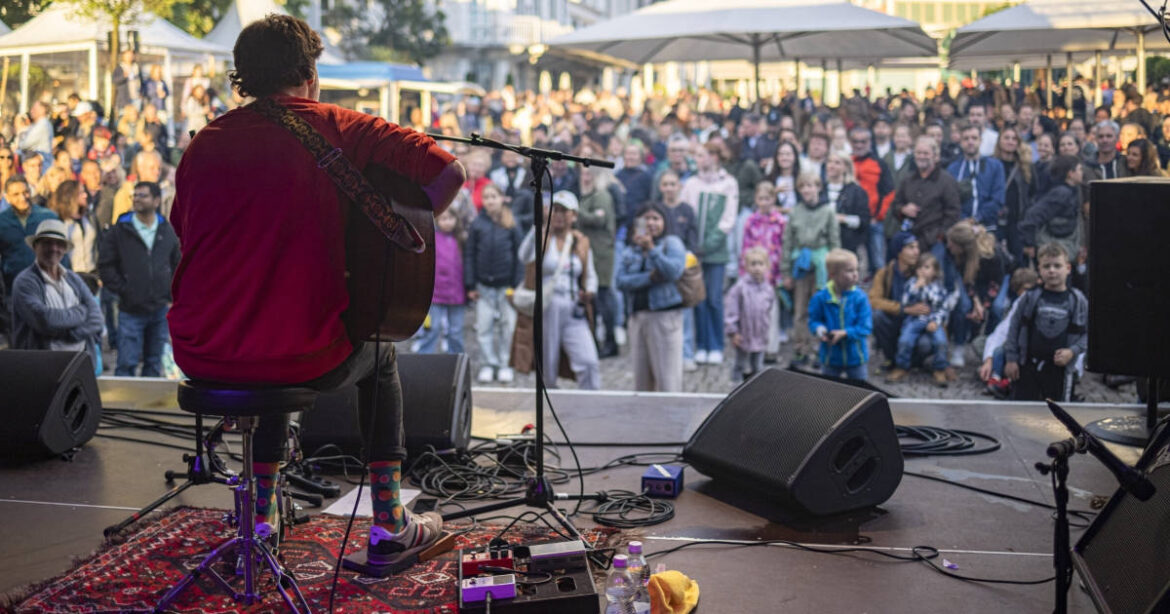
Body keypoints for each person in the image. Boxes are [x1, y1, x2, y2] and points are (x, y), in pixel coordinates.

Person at [167, 15, 466, 570]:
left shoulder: (203, 142)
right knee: (376, 355)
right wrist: (388, 248)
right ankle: (390, 524)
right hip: (299, 354)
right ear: (309, 73)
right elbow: (447, 173)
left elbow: (182, 230)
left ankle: (260, 518)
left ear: (245, 78)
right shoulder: (340, 125)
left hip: (200, 353)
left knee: (270, 338)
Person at [513, 191, 601, 389]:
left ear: (574, 216)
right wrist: (538, 229)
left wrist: (590, 290)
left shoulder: (580, 241)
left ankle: (592, 400)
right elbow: (524, 256)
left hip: (573, 306)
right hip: (547, 305)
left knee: (588, 361)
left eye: (564, 211)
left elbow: (590, 273)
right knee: (548, 360)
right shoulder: (542, 237)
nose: (558, 215)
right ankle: (549, 401)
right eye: (555, 210)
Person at [99, 181, 180, 377]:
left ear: (156, 200)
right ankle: (122, 407)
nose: (136, 199)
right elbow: (105, 265)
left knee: (153, 364)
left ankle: (147, 406)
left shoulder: (166, 231)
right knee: (127, 363)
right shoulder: (120, 231)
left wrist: (170, 295)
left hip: (159, 310)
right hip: (130, 310)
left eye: (143, 195)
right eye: (135, 195)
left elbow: (177, 264)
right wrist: (124, 289)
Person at [10, 219, 104, 366]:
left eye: (59, 244)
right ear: (35, 247)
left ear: (65, 249)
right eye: (47, 243)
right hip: (41, 368)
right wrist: (81, 312)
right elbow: (44, 320)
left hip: (78, 365)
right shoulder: (25, 282)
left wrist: (72, 334)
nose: (54, 248)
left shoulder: (72, 278)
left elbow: (97, 318)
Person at [615, 203, 687, 391]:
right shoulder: (631, 249)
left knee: (667, 379)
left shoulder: (672, 243)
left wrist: (652, 250)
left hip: (664, 318)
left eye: (656, 218)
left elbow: (673, 272)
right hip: (638, 317)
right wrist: (649, 278)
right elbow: (621, 281)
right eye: (646, 218)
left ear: (664, 222)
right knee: (642, 381)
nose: (651, 223)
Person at [1004, 243, 1088, 402]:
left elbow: (1088, 334)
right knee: (1022, 412)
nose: (1052, 270)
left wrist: (1073, 351)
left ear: (1068, 268)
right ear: (1039, 270)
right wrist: (1011, 359)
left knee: (1058, 416)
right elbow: (1014, 327)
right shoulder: (1030, 297)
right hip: (1028, 367)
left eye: (1057, 266)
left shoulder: (1077, 300)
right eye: (1047, 266)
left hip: (1060, 371)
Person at [681, 142, 739, 366]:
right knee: (699, 298)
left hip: (715, 252)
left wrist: (709, 244)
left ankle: (716, 344)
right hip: (695, 252)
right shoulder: (691, 183)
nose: (698, 159)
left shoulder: (728, 183)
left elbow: (728, 219)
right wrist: (693, 244)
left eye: (702, 155)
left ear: (714, 157)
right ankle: (702, 344)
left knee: (715, 298)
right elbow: (686, 214)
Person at [465, 182, 523, 384]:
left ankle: (505, 363)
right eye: (486, 197)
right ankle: (488, 364)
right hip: (483, 287)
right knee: (484, 327)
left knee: (507, 327)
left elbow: (519, 255)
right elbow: (470, 254)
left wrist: (516, 284)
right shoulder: (478, 224)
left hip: (506, 285)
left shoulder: (511, 222)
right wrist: (470, 284)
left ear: (502, 198)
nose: (490, 201)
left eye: (494, 196)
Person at [782, 172, 840, 366]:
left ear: (818, 187)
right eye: (803, 186)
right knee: (800, 310)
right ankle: (801, 348)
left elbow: (834, 242)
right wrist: (786, 272)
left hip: (821, 264)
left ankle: (819, 349)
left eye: (810, 185)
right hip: (801, 263)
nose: (807, 190)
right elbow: (788, 242)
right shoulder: (796, 212)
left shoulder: (828, 211)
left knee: (820, 308)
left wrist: (835, 271)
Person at [887, 136, 961, 256]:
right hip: (910, 240)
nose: (922, 156)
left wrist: (938, 236)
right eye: (918, 153)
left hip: (935, 243)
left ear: (935, 156)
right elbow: (895, 205)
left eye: (926, 153)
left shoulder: (946, 181)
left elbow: (953, 213)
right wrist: (903, 209)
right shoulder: (908, 180)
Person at [886, 252, 952, 387]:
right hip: (914, 319)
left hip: (932, 320)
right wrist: (916, 288)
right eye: (920, 267)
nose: (922, 271)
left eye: (927, 267)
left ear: (935, 271)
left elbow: (944, 307)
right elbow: (905, 302)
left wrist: (936, 321)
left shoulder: (939, 287)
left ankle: (939, 368)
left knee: (940, 341)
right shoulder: (911, 284)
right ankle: (902, 366)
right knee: (905, 340)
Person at [808, 248, 871, 380]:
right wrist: (820, 330)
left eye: (856, 270)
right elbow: (814, 320)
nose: (855, 274)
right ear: (832, 275)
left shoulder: (860, 298)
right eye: (849, 270)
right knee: (829, 394)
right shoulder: (820, 298)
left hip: (856, 358)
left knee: (860, 392)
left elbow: (865, 327)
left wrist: (845, 333)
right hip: (830, 357)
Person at [577, 165, 619, 358]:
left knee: (603, 296)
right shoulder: (590, 196)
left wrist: (576, 212)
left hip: (600, 253)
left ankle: (610, 341)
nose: (585, 178)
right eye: (583, 174)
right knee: (596, 297)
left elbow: (598, 220)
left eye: (588, 174)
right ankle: (598, 340)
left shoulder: (601, 196)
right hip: (593, 251)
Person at [979, 268, 1039, 399]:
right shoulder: (1019, 304)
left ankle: (1009, 382)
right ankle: (996, 378)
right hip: (1014, 348)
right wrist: (988, 360)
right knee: (987, 346)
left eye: (1028, 290)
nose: (1025, 295)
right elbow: (1000, 333)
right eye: (1021, 292)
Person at [416, 208, 466, 355]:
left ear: (456, 220)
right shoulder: (431, 238)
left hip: (457, 292)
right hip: (435, 293)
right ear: (437, 220)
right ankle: (424, 358)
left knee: (456, 330)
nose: (447, 222)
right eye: (443, 219)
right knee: (432, 328)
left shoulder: (461, 239)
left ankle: (456, 359)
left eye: (450, 218)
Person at [1, 176, 60, 297]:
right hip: (14, 289)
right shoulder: (2, 222)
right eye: (16, 194)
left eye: (25, 192)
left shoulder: (47, 217)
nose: (22, 198)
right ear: (7, 198)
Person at [1019, 155, 1083, 266]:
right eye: (1079, 169)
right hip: (1053, 249)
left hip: (1064, 248)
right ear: (1070, 173)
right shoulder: (1061, 193)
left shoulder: (1072, 190)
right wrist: (1029, 243)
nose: (1082, 173)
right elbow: (1033, 215)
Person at [724, 246, 775, 382]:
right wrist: (733, 332)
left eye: (760, 264)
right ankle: (735, 387)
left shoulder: (768, 290)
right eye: (753, 264)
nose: (757, 268)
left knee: (758, 366)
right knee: (740, 364)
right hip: (744, 335)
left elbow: (768, 309)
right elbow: (731, 311)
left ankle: (755, 391)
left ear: (767, 266)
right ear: (746, 267)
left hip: (760, 334)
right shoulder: (740, 288)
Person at [849, 126, 895, 276]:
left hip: (874, 221)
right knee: (852, 263)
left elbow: (889, 192)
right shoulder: (847, 162)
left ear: (870, 142)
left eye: (863, 141)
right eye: (856, 141)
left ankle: (879, 294)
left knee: (878, 262)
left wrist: (878, 216)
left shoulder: (879, 163)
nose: (859, 145)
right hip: (852, 222)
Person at [947, 122, 1006, 232]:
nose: (970, 142)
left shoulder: (995, 166)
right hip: (960, 227)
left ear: (980, 141)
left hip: (988, 227)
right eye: (966, 139)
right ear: (960, 142)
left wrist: (977, 218)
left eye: (974, 138)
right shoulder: (953, 169)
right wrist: (964, 220)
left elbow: (998, 198)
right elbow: (950, 200)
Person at [824, 152, 870, 257]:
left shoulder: (856, 191)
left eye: (837, 163)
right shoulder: (820, 189)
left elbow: (864, 221)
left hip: (847, 244)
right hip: (823, 243)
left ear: (846, 167)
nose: (832, 166)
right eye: (829, 162)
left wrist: (843, 219)